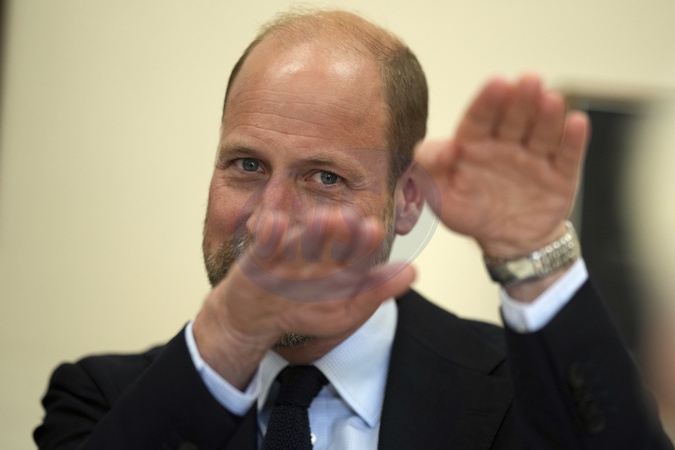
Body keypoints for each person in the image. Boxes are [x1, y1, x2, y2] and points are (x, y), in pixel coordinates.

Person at [34, 9, 673, 450]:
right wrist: (229, 335)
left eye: (325, 177)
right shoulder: (102, 399)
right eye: (247, 165)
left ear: (407, 201)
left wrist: (534, 255)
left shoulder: (519, 398)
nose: (270, 219)